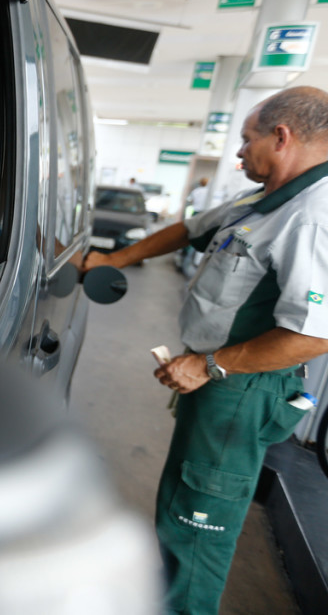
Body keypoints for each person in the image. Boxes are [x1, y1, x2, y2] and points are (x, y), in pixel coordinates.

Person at [83, 85, 328, 615]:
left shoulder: (313, 215)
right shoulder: (262, 199)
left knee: (199, 527)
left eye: (246, 140)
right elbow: (190, 229)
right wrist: (113, 260)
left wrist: (208, 364)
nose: (238, 153)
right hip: (219, 382)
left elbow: (312, 333)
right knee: (181, 508)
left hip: (241, 387)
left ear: (281, 136)